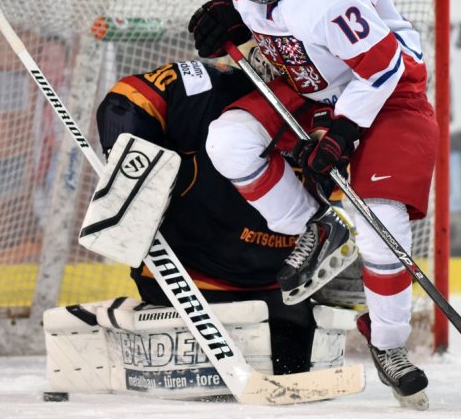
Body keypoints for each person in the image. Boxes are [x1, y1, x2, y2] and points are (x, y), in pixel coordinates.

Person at [187, 0, 437, 406]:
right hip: (313, 87)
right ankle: (318, 228)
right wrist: (222, 12)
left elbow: (384, 68)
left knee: (382, 220)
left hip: (387, 95)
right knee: (228, 140)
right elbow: (252, 14)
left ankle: (390, 347)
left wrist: (343, 135)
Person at [95, 51, 361, 376]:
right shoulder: (208, 88)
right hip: (187, 281)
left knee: (293, 373)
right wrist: (131, 170)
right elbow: (127, 101)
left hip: (277, 287)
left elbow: (337, 195)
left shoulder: (343, 113)